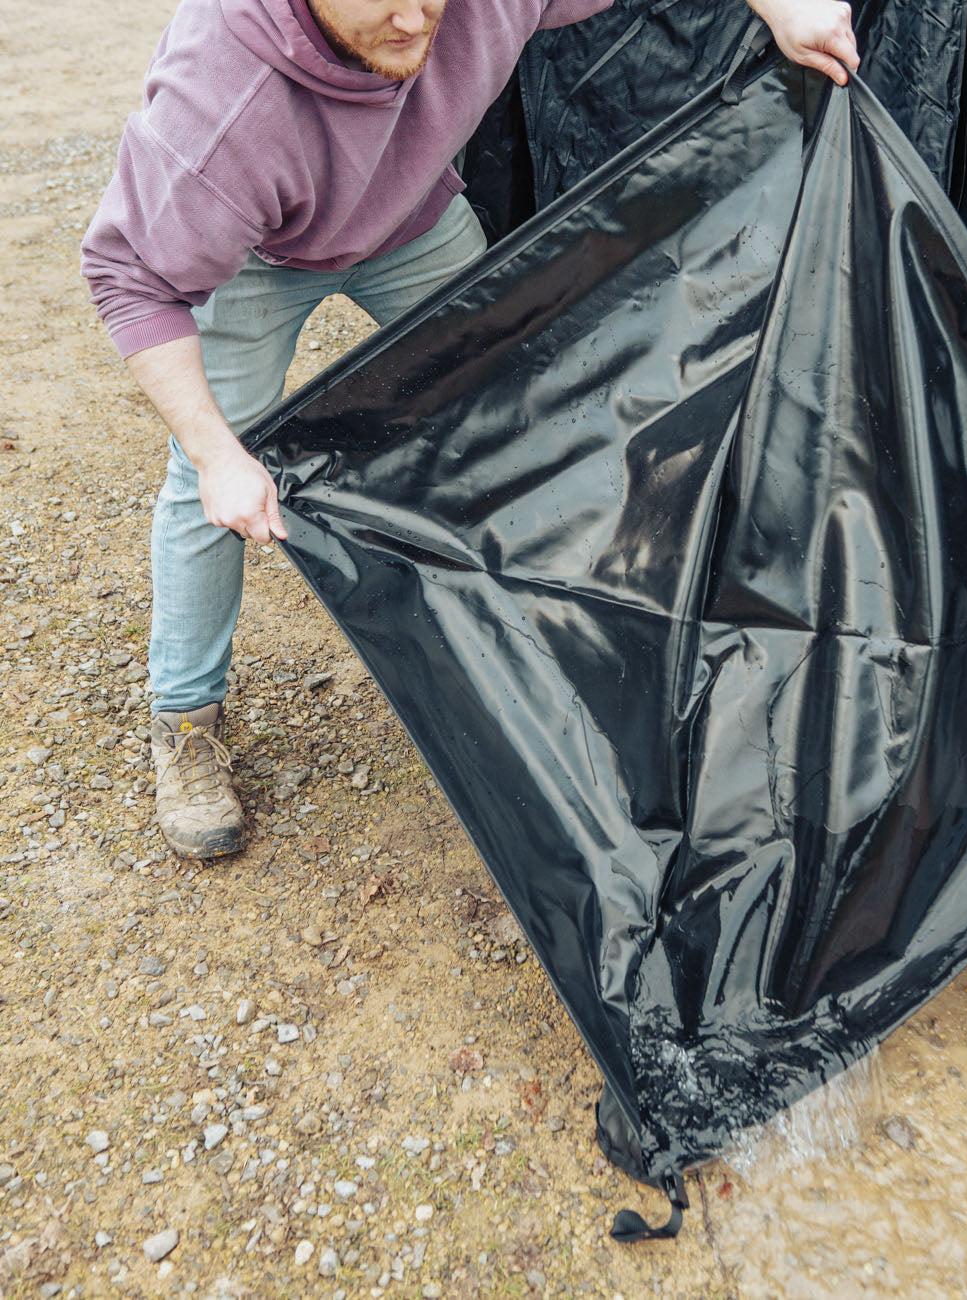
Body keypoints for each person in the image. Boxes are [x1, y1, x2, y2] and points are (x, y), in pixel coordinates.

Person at [81, 0, 861, 861]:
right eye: (388, 6)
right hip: (259, 259)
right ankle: (185, 718)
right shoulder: (221, 111)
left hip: (412, 218)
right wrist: (219, 454)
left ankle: (545, 651)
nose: (419, 24)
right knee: (204, 493)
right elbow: (131, 280)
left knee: (511, 418)